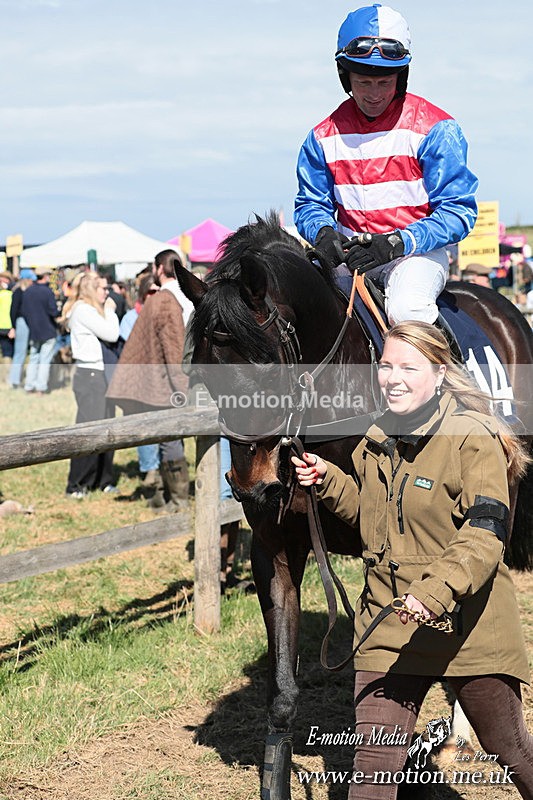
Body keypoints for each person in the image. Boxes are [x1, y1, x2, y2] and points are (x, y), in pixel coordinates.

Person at [292, 321, 533, 799]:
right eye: (386, 366)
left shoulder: (472, 436)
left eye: (409, 367)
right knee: (373, 765)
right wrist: (328, 481)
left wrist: (433, 591)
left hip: (467, 624)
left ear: (439, 373)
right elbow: (373, 518)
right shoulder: (378, 435)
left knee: (509, 749)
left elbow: (485, 534)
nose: (393, 378)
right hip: (389, 622)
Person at [294, 4, 478, 325]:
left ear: (400, 77)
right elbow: (310, 204)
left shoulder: (438, 129)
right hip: (350, 257)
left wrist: (397, 242)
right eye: (363, 82)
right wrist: (323, 232)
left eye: (384, 81)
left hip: (415, 256)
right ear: (345, 77)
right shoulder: (321, 137)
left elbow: (458, 212)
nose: (374, 94)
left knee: (407, 309)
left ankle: (439, 360)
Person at [106, 249, 192, 514]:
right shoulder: (176, 298)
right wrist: (185, 388)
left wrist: (182, 386)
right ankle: (172, 497)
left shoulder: (164, 299)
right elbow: (175, 348)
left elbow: (173, 348)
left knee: (166, 439)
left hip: (161, 382)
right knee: (170, 439)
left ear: (159, 268)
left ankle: (169, 496)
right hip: (167, 382)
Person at [62, 272, 120, 498]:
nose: (107, 293)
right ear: (91, 290)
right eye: (103, 288)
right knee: (88, 432)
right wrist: (110, 310)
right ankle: (76, 484)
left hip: (99, 375)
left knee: (107, 429)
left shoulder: (90, 309)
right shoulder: (83, 310)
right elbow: (112, 333)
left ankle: (102, 480)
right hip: (90, 376)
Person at [20, 266, 59, 394]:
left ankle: (29, 385)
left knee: (33, 358)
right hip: (48, 330)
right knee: (44, 360)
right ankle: (41, 387)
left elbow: (24, 312)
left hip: (34, 331)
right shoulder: (47, 292)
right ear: (46, 276)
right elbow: (53, 311)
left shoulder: (28, 291)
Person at [7, 275, 35, 387]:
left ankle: (22, 379)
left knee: (27, 352)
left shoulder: (29, 291)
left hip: (28, 322)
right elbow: (13, 310)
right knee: (20, 352)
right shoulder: (18, 292)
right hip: (22, 322)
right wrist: (13, 327)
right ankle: (14, 380)